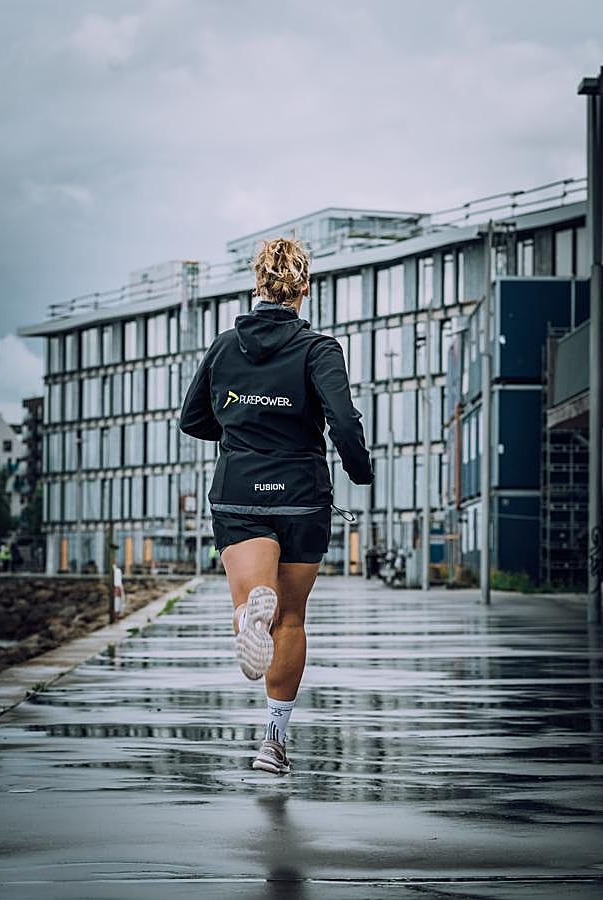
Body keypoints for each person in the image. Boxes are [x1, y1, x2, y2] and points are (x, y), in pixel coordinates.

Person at [179, 236, 374, 775]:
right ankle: (273, 741)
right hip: (302, 495)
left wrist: (242, 422)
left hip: (240, 489)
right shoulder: (318, 349)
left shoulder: (222, 348)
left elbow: (192, 419)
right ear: (303, 289)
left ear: (256, 284)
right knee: (290, 618)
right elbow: (343, 419)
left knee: (254, 599)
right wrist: (360, 469)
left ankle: (245, 618)